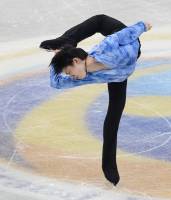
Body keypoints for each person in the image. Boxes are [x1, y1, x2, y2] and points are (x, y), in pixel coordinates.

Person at [39, 14, 152, 186]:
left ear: (76, 61)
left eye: (69, 71)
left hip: (126, 40)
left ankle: (66, 41)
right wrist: (57, 59)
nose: (72, 77)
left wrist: (143, 26)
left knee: (99, 21)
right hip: (119, 77)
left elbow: (126, 35)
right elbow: (57, 84)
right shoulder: (84, 75)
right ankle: (109, 168)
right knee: (113, 118)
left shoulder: (105, 48)